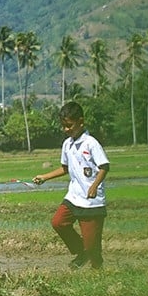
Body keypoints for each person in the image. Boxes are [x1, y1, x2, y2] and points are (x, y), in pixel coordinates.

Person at [33, 101, 109, 269]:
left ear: (81, 122)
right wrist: (45, 177)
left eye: (69, 125)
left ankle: (98, 271)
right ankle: (81, 252)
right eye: (63, 126)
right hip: (74, 196)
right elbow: (64, 168)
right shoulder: (67, 144)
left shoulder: (91, 143)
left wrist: (94, 186)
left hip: (91, 201)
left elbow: (104, 166)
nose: (66, 130)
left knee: (92, 247)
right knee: (58, 222)